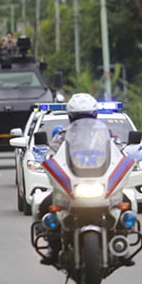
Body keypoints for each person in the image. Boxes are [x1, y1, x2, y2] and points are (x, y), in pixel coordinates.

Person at [39, 93, 99, 265]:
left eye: (87, 117)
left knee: (126, 202)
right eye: (80, 117)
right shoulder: (62, 135)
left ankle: (121, 240)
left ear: (95, 116)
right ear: (71, 117)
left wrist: (125, 160)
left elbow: (119, 152)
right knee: (46, 205)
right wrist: (48, 161)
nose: (84, 121)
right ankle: (53, 246)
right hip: (72, 185)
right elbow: (50, 154)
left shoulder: (105, 135)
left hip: (100, 183)